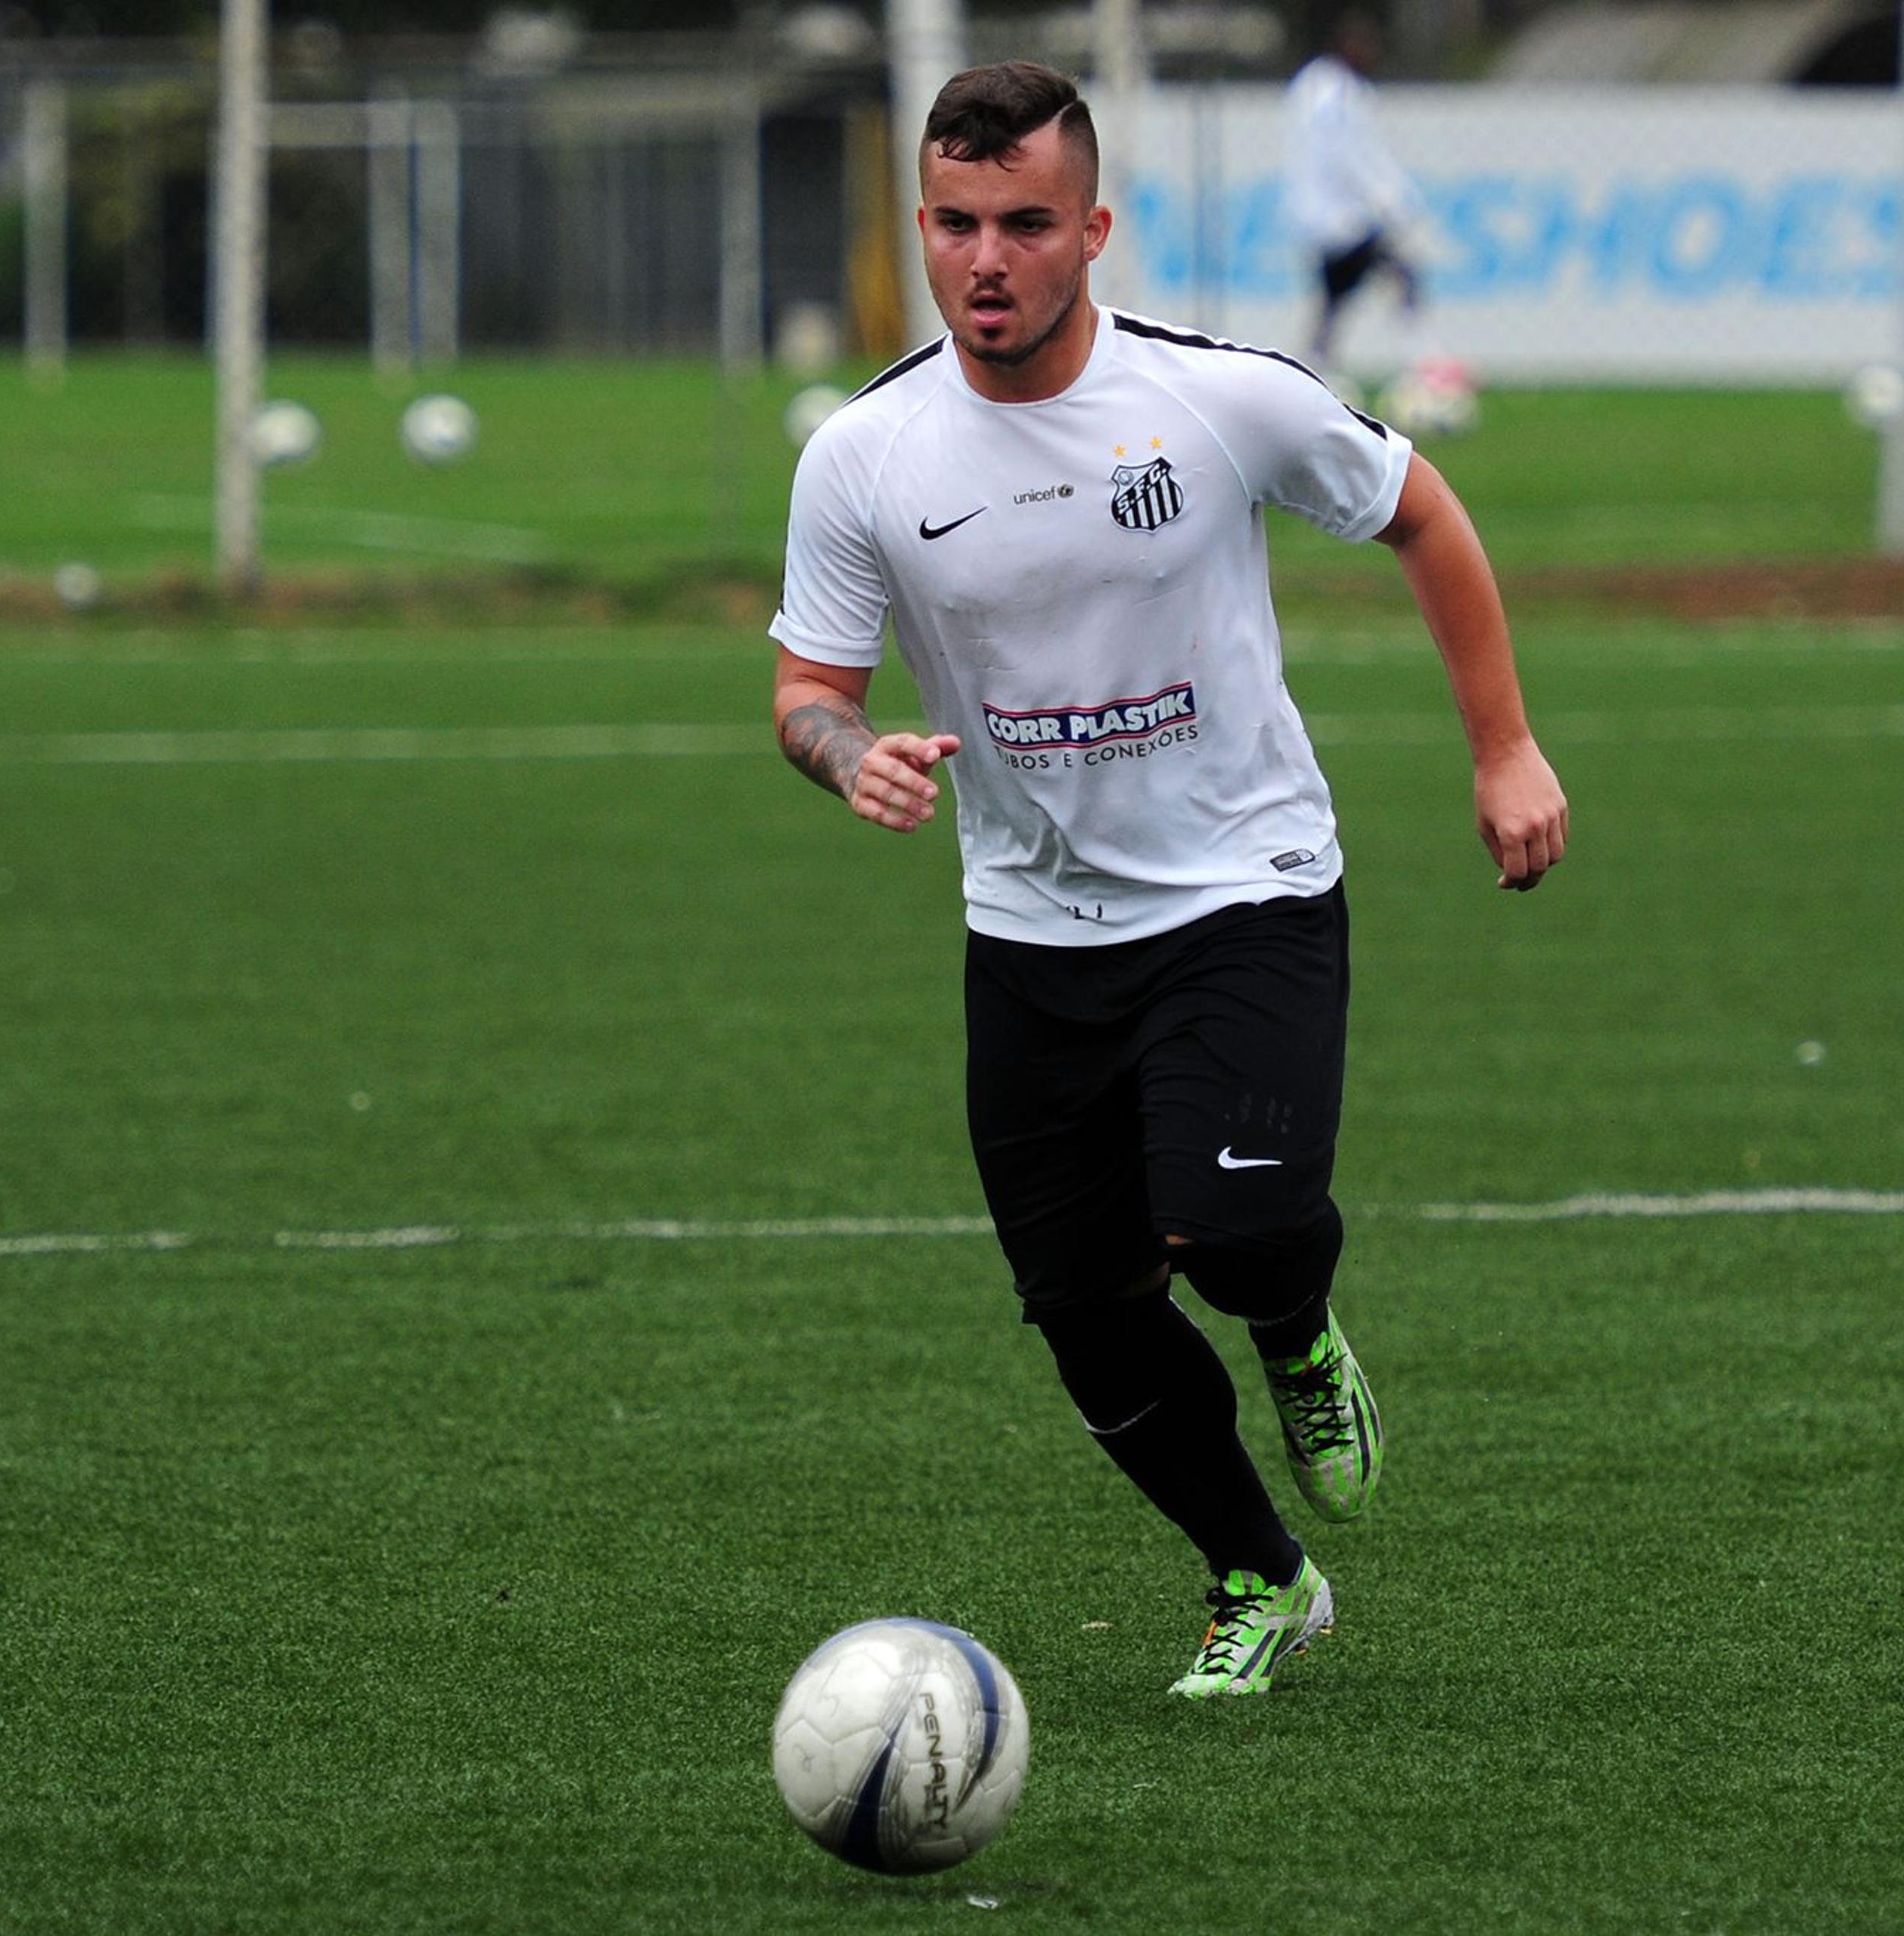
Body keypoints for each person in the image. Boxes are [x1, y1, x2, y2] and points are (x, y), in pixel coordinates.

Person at [769, 62, 1567, 1698]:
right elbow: (807, 693)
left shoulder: (1216, 399)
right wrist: (855, 760)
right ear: (923, 225)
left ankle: (1298, 1336)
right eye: (955, 223)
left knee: (1235, 1229)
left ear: (1094, 231)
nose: (985, 258)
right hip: (1031, 929)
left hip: (1244, 888)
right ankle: (1263, 1577)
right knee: (1082, 1308)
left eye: (1025, 224)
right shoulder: (862, 455)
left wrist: (1504, 750)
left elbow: (1422, 512)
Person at [1284, 15, 1424, 371]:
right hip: (1341, 220)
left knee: (1338, 298)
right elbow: (1348, 155)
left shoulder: (1319, 85)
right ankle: (1420, 362)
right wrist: (1389, 201)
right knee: (1401, 276)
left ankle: (1316, 363)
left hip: (1329, 218)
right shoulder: (1335, 93)